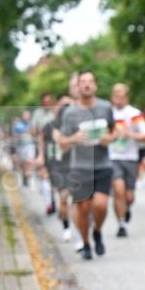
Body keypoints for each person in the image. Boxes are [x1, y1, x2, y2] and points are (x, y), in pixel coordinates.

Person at [55, 71, 116, 260]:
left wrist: (109, 138)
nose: (87, 85)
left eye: (91, 81)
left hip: (102, 164)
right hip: (80, 166)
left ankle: (97, 230)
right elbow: (62, 142)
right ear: (78, 87)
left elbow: (114, 131)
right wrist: (74, 138)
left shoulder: (105, 107)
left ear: (96, 85)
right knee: (82, 208)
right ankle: (86, 243)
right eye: (83, 82)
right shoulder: (70, 113)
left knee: (101, 205)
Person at [108, 83, 145, 238]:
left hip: (131, 158)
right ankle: (121, 224)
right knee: (118, 190)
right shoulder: (107, 114)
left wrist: (130, 134)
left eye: (122, 96)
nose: (118, 99)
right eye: (116, 96)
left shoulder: (134, 114)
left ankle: (126, 209)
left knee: (129, 196)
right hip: (113, 158)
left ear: (127, 97)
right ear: (112, 97)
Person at [37, 95, 73, 238]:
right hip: (57, 166)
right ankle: (66, 227)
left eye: (69, 106)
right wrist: (42, 161)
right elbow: (42, 143)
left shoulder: (77, 123)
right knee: (63, 197)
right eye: (63, 105)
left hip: (76, 165)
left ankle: (77, 226)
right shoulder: (49, 126)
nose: (66, 109)